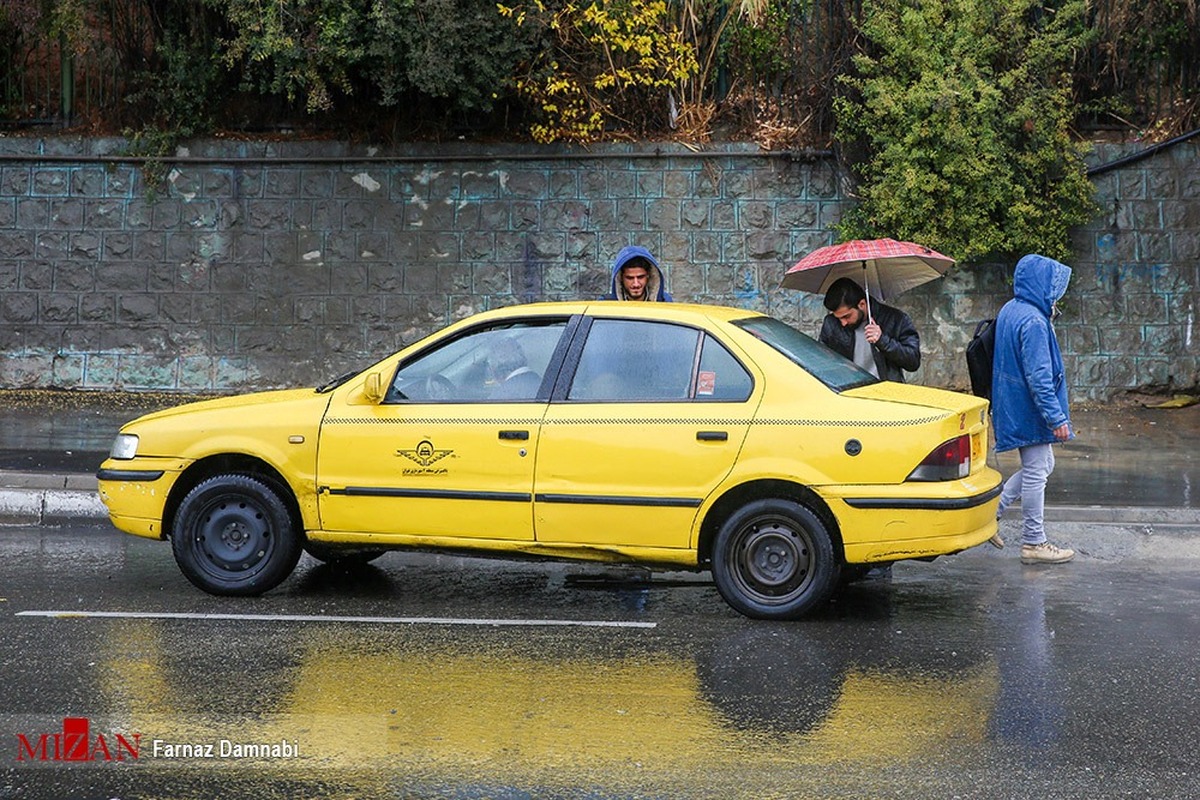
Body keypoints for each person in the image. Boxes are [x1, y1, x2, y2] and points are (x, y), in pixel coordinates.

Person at [990, 253, 1075, 564]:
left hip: (1012, 404)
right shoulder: (1034, 321)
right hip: (1029, 409)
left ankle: (991, 515)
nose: (1056, 295)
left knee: (1041, 466)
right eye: (1053, 287)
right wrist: (1056, 418)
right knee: (1038, 472)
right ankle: (1033, 542)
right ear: (1041, 285)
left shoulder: (1011, 309)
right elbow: (1039, 377)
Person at [818, 276, 920, 382]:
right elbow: (820, 361)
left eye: (846, 316)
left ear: (862, 304)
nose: (843, 323)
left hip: (885, 393)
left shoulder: (895, 319)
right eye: (838, 318)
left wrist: (883, 340)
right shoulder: (831, 323)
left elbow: (913, 362)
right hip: (846, 392)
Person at [604, 245, 673, 302]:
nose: (636, 284)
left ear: (648, 276)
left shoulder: (665, 302)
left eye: (640, 277)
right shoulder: (606, 304)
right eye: (630, 278)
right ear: (620, 278)